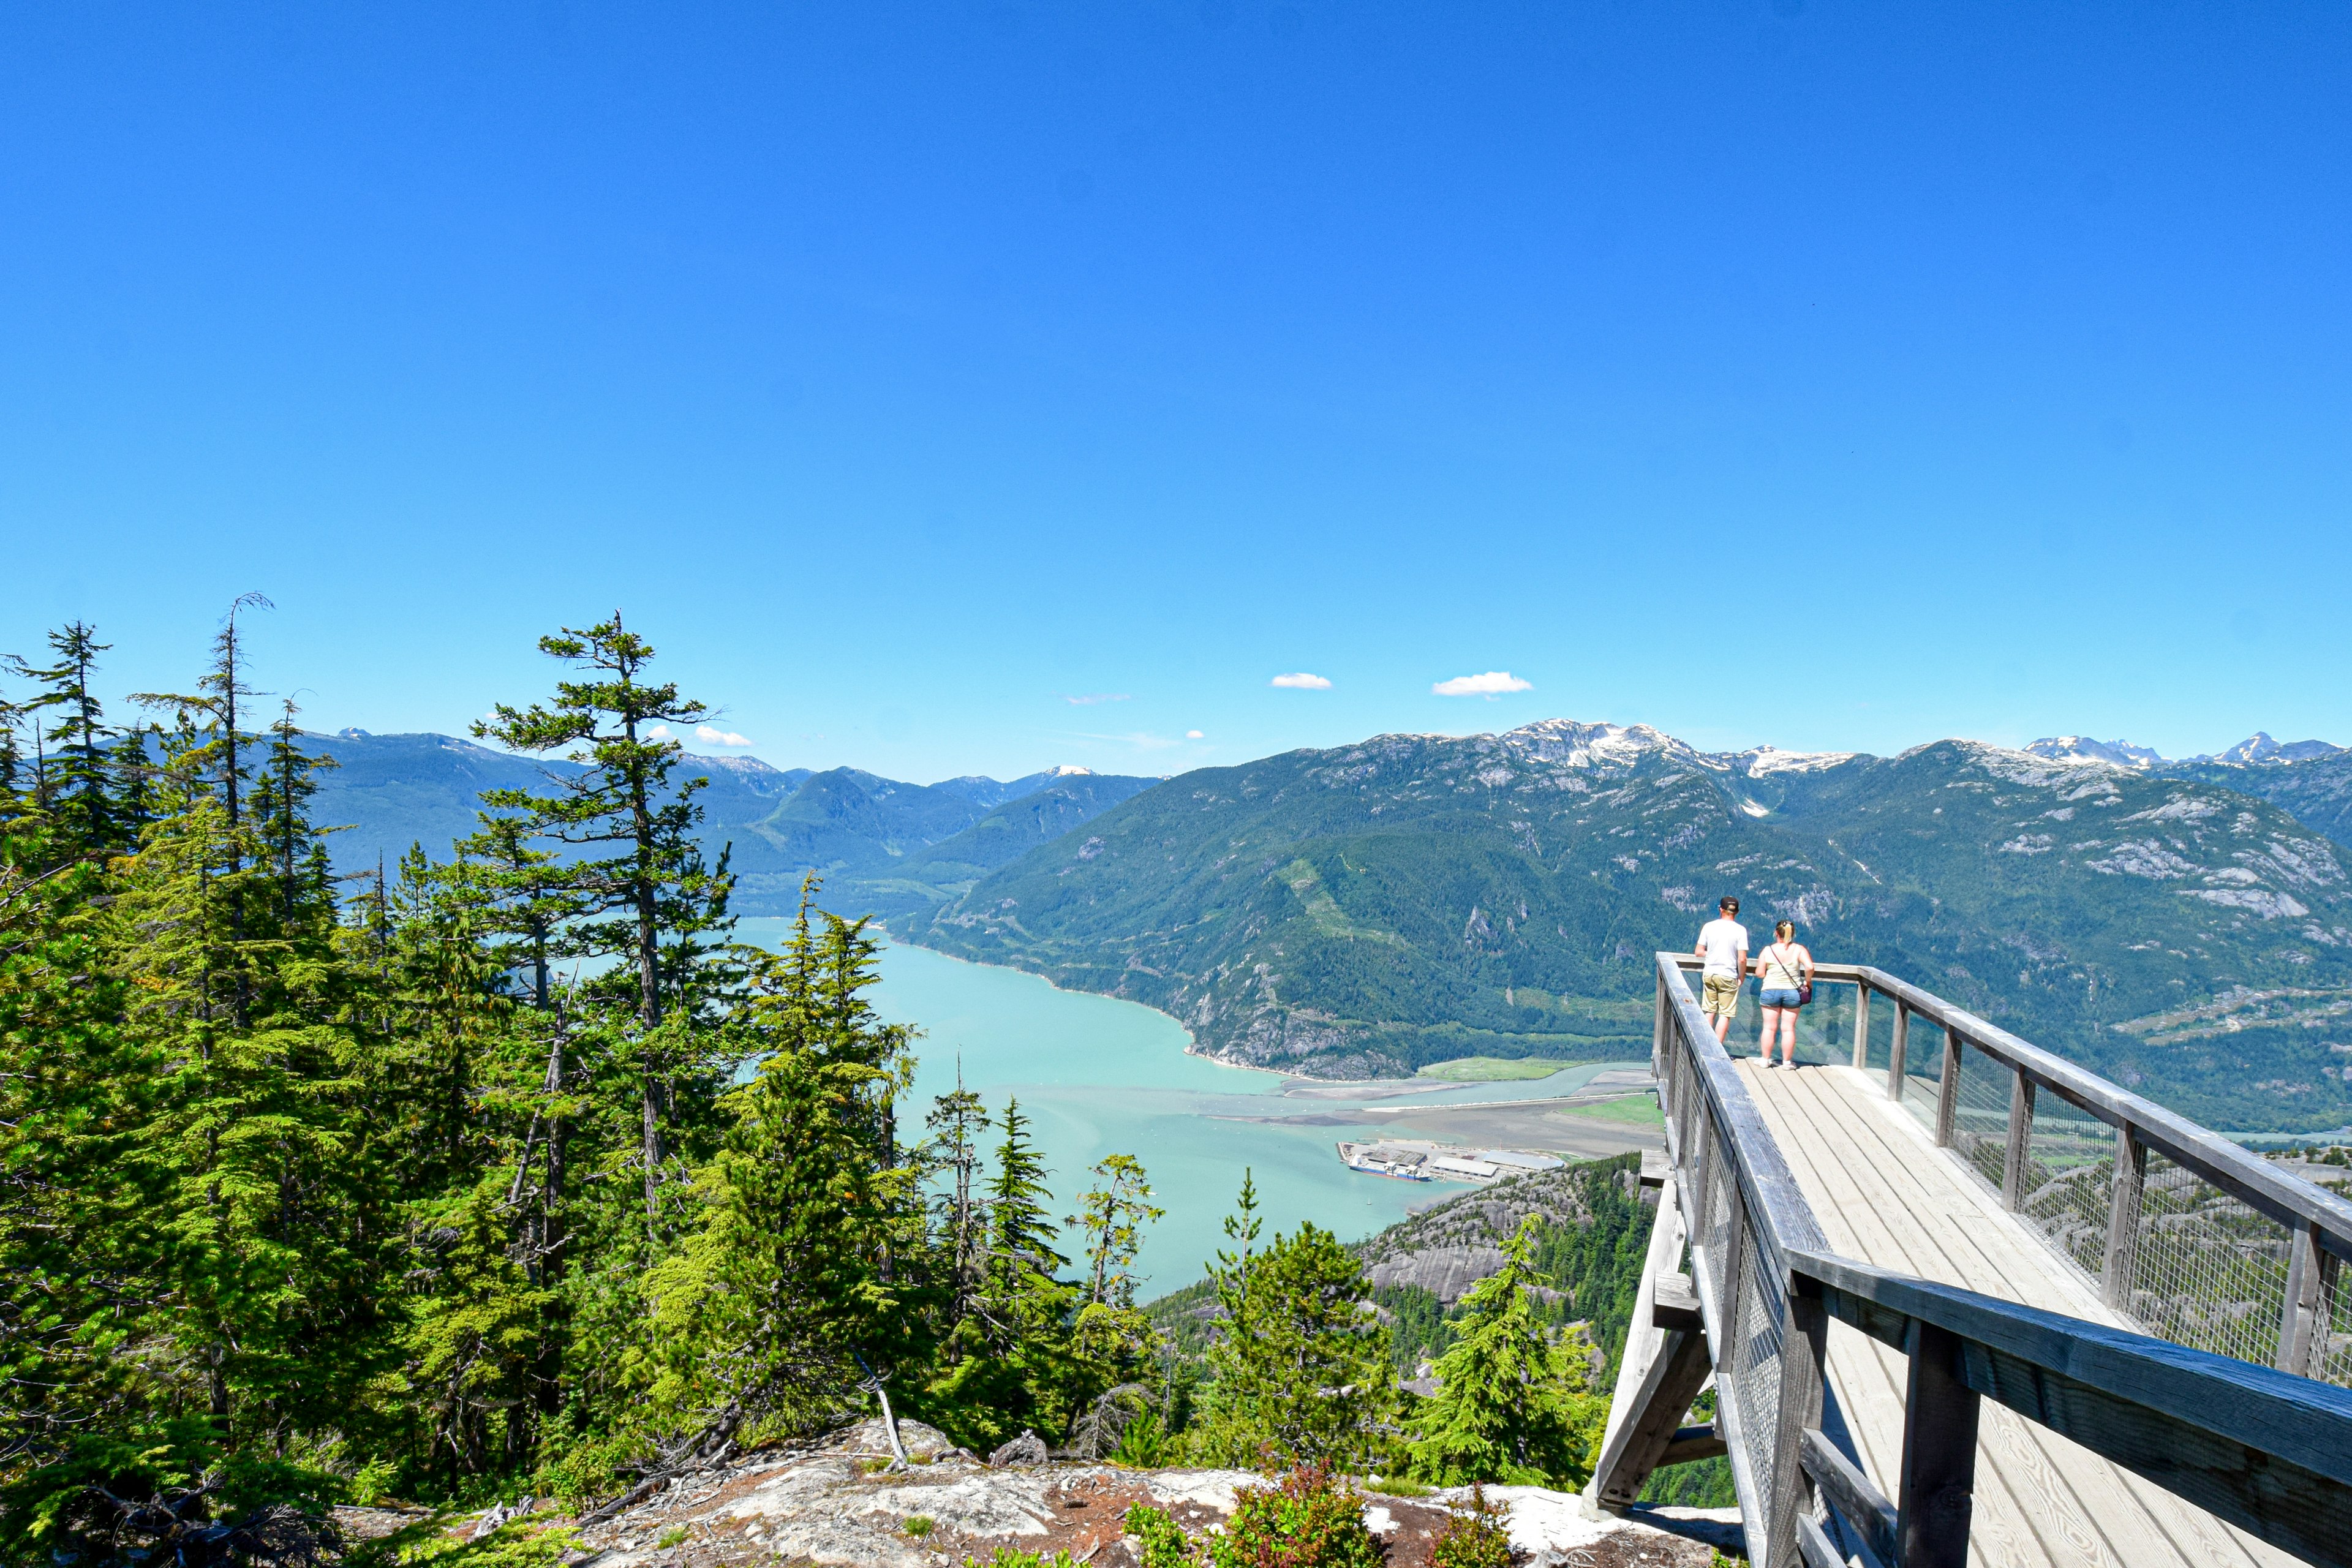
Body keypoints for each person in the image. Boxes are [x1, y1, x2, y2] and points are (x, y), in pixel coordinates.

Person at [1755, 919, 1814, 1069]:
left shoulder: (1768, 950)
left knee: (1769, 1027)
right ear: (1792, 934)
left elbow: (1760, 973)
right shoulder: (1799, 949)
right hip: (1793, 992)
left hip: (1770, 990)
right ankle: (1787, 1062)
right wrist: (1807, 982)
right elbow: (1810, 967)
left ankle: (1765, 1060)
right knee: (1788, 1028)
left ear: (1776, 933)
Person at [1694, 897, 1749, 1043]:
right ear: (1736, 912)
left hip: (1710, 972)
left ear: (1721, 909)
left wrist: (1712, 954)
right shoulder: (1740, 931)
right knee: (1725, 1014)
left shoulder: (1709, 926)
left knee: (1710, 1011)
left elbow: (1699, 951)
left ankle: (1703, 1046)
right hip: (1729, 974)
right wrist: (1741, 977)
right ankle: (1717, 1051)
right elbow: (1742, 959)